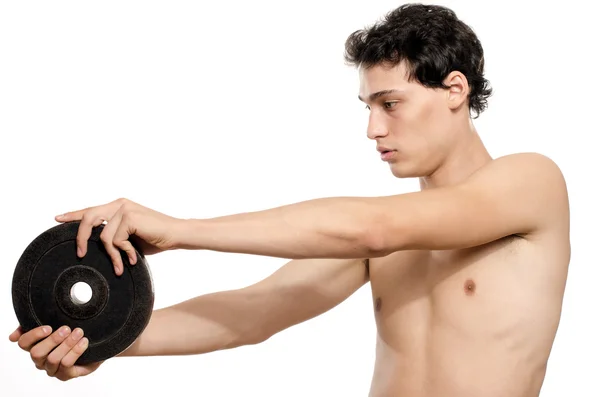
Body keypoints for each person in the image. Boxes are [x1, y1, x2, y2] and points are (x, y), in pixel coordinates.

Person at [9, 3, 570, 396]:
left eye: (390, 103)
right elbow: (251, 315)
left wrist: (180, 230)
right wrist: (102, 341)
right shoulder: (388, 238)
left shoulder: (531, 184)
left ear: (454, 89)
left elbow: (372, 226)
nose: (373, 129)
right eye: (366, 108)